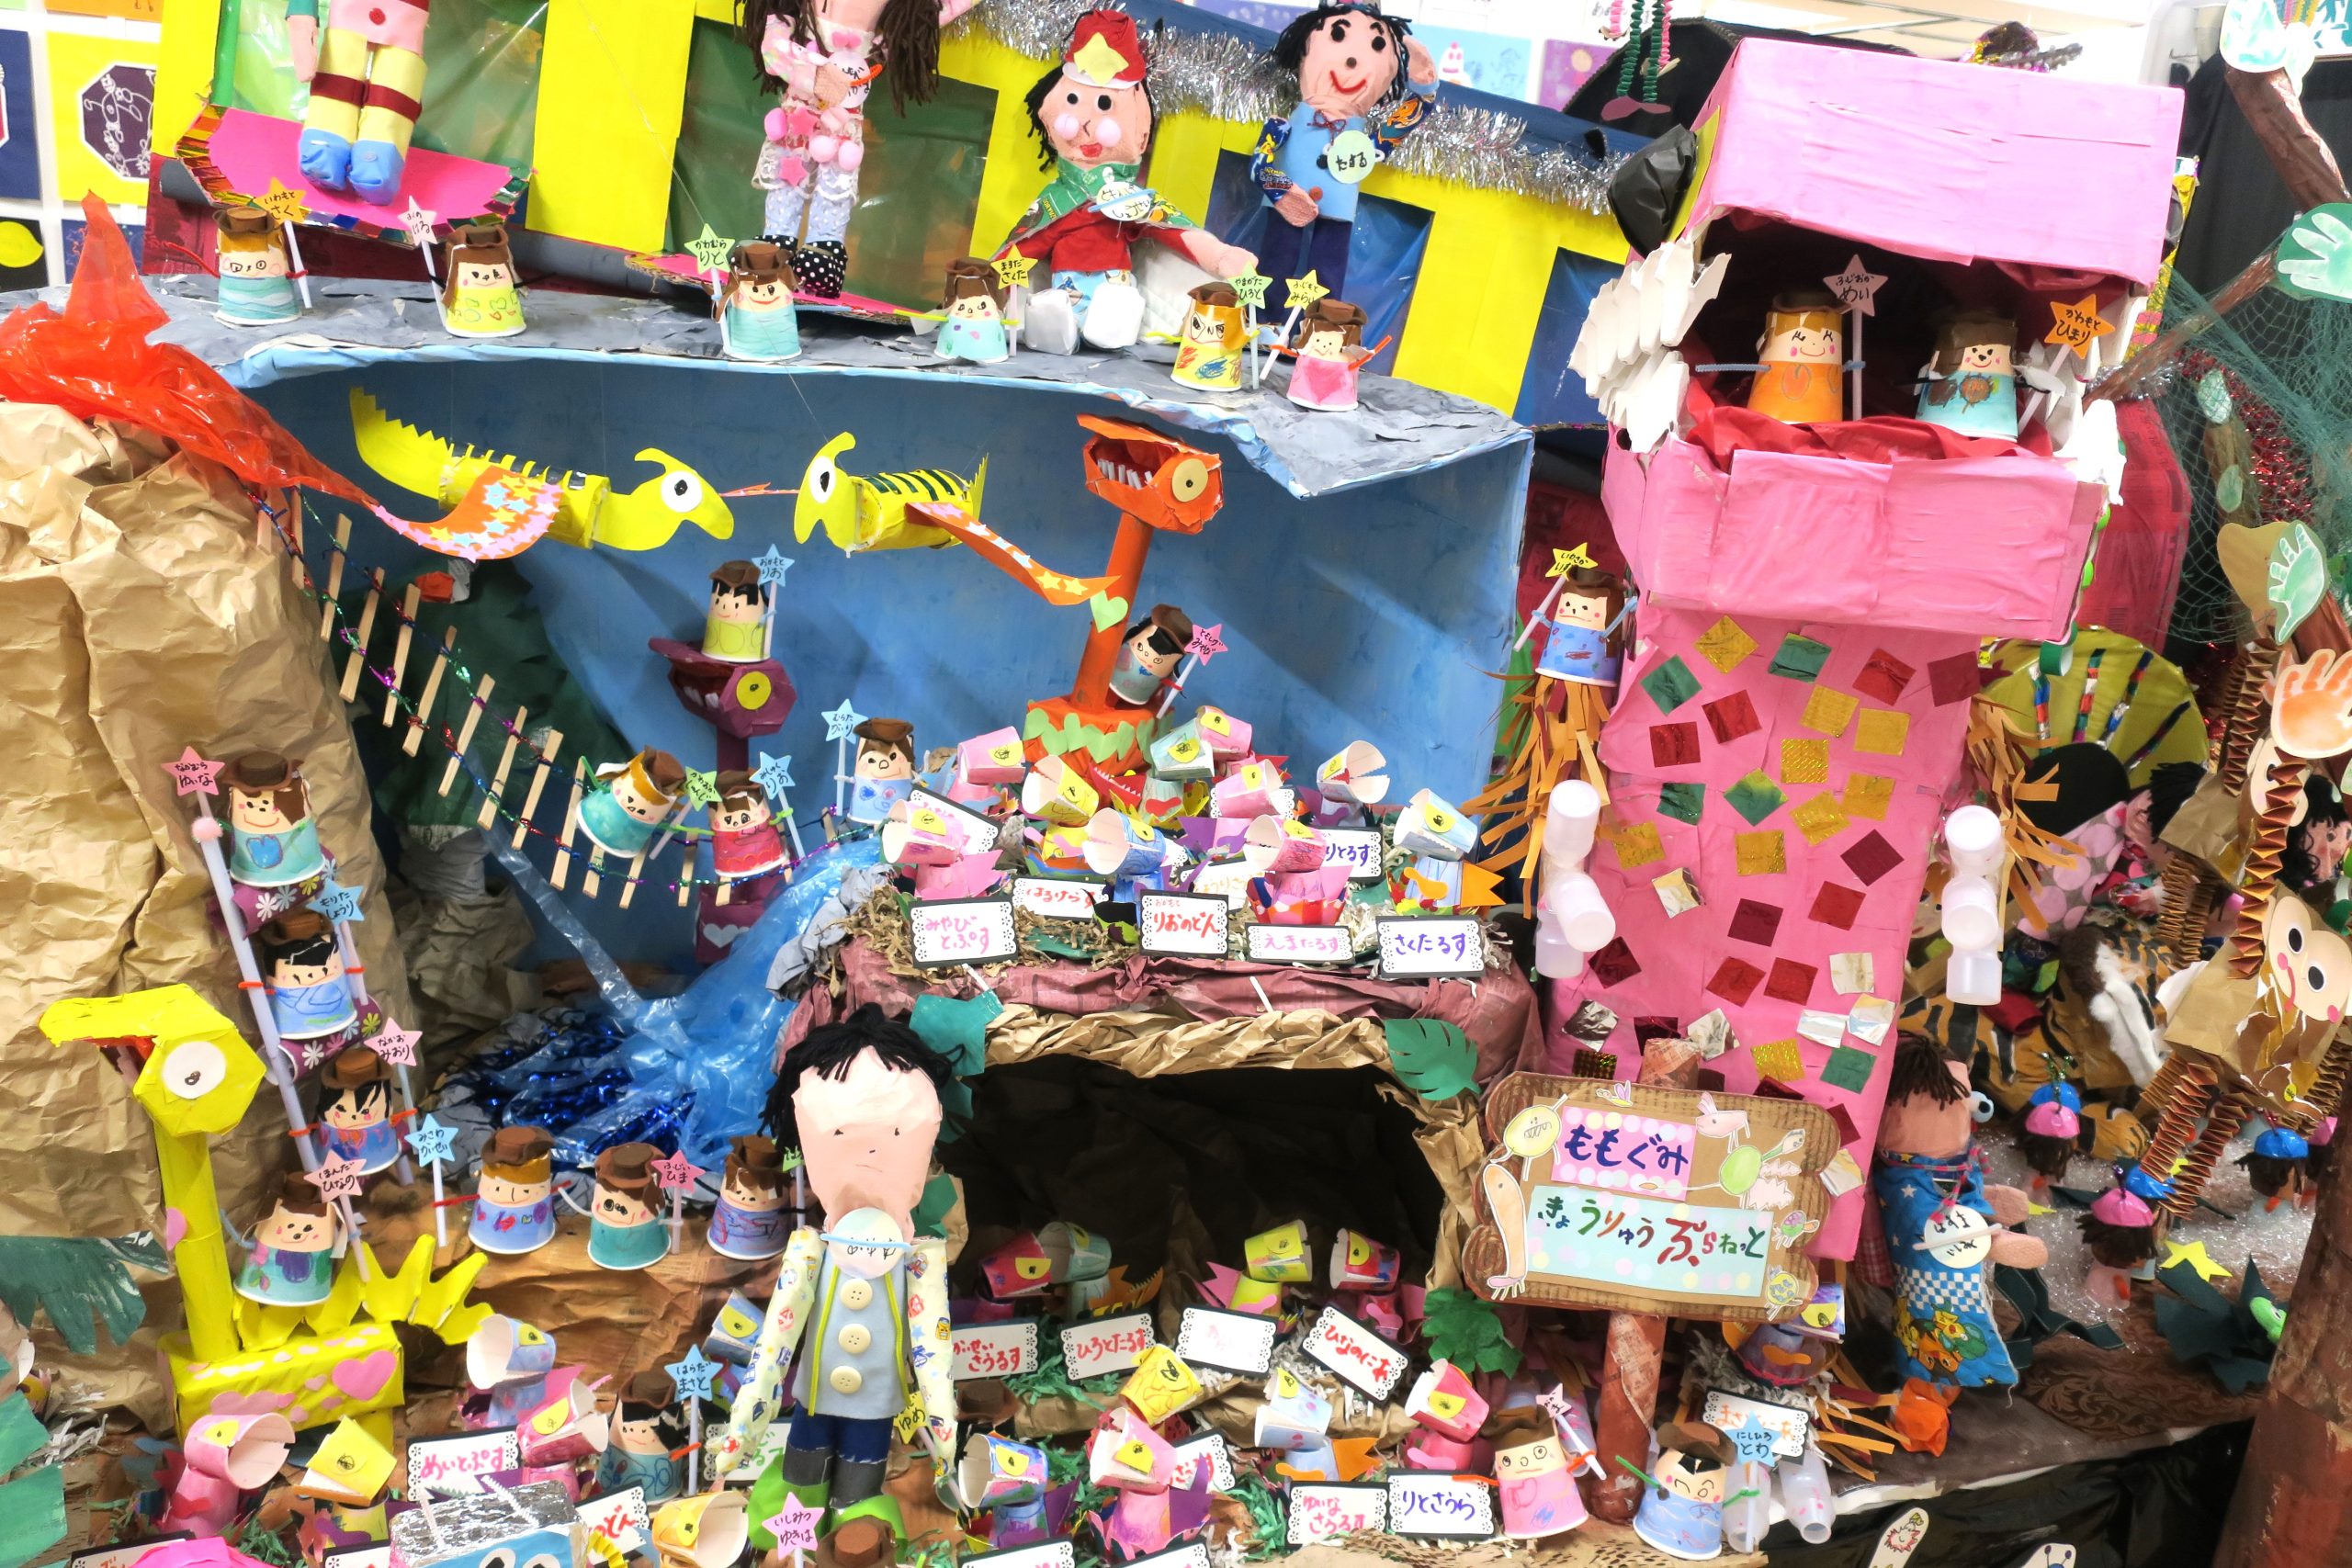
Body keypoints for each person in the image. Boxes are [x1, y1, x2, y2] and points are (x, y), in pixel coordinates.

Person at [711, 1006, 957, 1566]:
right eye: (840, 1133)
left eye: (895, 1134)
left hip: (878, 1402)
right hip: (815, 1395)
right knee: (804, 1466)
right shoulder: (811, 1250)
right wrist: (748, 1416)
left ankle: (857, 1542)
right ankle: (792, 1538)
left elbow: (933, 1348)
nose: (869, 1152)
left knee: (861, 1481)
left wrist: (942, 1425)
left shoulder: (918, 1261)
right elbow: (775, 1339)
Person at [996, 10, 1254, 354]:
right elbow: (1027, 244)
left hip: (1115, 288)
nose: (1085, 124)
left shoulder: (1129, 200)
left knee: (1119, 304)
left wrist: (1220, 256)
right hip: (1065, 285)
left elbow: (1171, 229)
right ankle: (1056, 329)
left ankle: (1106, 329)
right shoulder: (1055, 201)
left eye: (1105, 104)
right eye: (1073, 101)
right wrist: (990, 280)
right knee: (1053, 306)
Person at [1250, 3, 1436, 301]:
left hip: (1339, 199)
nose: (1353, 60)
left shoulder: (1362, 144)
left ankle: (1321, 324)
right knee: (1276, 259)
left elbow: (1401, 124)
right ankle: (1265, 320)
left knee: (1328, 271)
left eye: (1377, 44)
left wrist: (1423, 90)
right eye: (1337, 35)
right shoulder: (1282, 126)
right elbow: (1259, 165)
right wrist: (1283, 192)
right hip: (1289, 195)